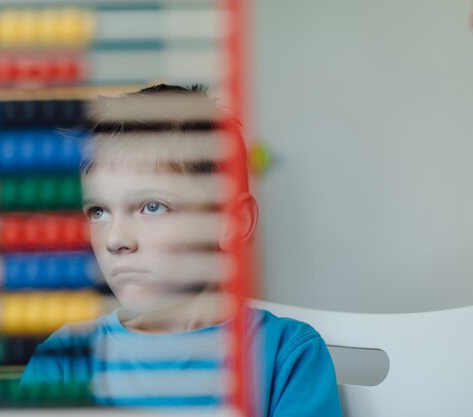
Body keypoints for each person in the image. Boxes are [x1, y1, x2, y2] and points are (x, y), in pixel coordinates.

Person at [20, 84, 342, 416]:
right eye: (98, 212)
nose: (116, 239)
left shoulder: (285, 356)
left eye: (152, 206)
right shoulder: (63, 359)